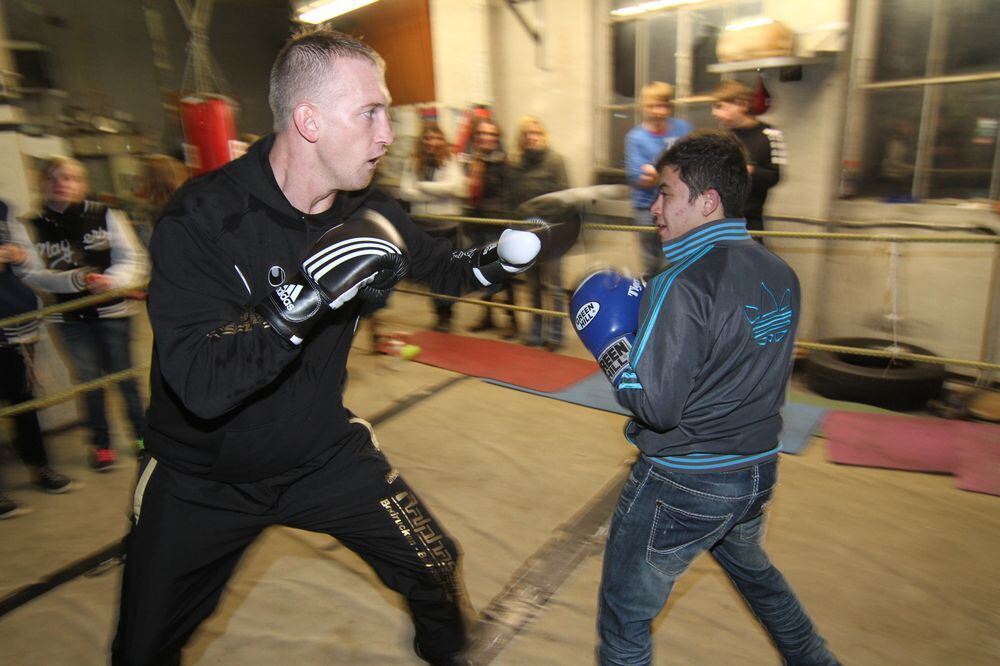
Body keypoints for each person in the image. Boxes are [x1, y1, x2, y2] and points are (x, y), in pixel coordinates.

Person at [112, 28, 543, 665]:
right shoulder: (201, 219)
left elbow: (449, 270)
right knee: (142, 650)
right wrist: (307, 298)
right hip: (202, 477)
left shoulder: (373, 210)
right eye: (369, 113)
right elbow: (201, 384)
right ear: (308, 120)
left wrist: (506, 254)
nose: (387, 134)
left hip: (320, 452)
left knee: (434, 564)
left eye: (386, 114)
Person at [570, 131, 838, 665]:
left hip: (686, 481)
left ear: (707, 200)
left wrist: (615, 352)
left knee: (625, 619)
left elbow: (657, 406)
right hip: (757, 471)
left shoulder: (682, 283)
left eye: (666, 193)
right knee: (758, 578)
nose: (654, 209)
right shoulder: (779, 271)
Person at [16, 157, 149, 472]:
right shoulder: (31, 225)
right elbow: (32, 273)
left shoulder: (105, 214)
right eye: (54, 177)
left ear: (83, 183)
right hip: (69, 319)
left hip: (113, 313)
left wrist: (113, 281)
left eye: (70, 178)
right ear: (42, 183)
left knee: (125, 377)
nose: (62, 183)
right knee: (89, 381)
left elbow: (133, 257)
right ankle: (101, 444)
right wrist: (75, 280)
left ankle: (142, 438)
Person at [0, 201, 74, 518]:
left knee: (24, 399)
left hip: (14, 322)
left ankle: (40, 466)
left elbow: (28, 263)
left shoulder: (3, 210)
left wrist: (18, 255)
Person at [507, 116, 568, 350]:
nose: (532, 137)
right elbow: (511, 199)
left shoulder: (555, 161)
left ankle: (554, 335)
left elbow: (564, 198)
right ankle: (534, 331)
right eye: (527, 134)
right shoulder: (515, 164)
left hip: (551, 233)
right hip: (524, 234)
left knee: (553, 287)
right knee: (531, 285)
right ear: (521, 138)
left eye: (536, 133)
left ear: (543, 136)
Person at [400, 121, 467, 332]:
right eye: (428, 138)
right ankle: (439, 313)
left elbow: (456, 187)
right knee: (431, 274)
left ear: (442, 140)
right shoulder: (413, 162)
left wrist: (422, 187)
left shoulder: (450, 160)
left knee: (447, 273)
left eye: (436, 138)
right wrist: (437, 190)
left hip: (446, 225)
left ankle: (447, 313)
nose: (432, 142)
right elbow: (404, 191)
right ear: (423, 141)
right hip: (423, 226)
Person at [624, 81, 693, 278]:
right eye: (652, 105)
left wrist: (657, 174)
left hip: (678, 207)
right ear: (644, 107)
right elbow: (638, 178)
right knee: (650, 265)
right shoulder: (636, 137)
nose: (658, 111)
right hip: (646, 208)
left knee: (678, 262)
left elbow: (692, 167)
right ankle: (651, 306)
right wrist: (670, 174)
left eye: (663, 105)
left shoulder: (683, 130)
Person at [711, 81, 786, 239]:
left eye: (720, 106)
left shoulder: (770, 135)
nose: (714, 113)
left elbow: (775, 176)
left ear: (741, 105)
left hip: (749, 221)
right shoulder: (720, 138)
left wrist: (748, 170)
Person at [465, 118, 518, 338]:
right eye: (482, 134)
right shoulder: (475, 162)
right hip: (478, 224)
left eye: (491, 134)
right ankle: (487, 316)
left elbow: (509, 197)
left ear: (497, 138)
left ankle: (512, 319)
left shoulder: (505, 163)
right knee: (483, 272)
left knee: (505, 274)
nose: (486, 138)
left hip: (498, 226)